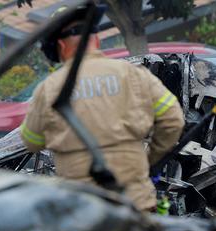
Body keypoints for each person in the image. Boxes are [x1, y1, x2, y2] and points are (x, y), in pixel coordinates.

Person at [20, 4, 185, 211]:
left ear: (60, 46)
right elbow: (173, 119)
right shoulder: (131, 74)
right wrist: (149, 159)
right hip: (136, 205)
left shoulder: (49, 88)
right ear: (96, 39)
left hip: (83, 212)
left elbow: (31, 141)